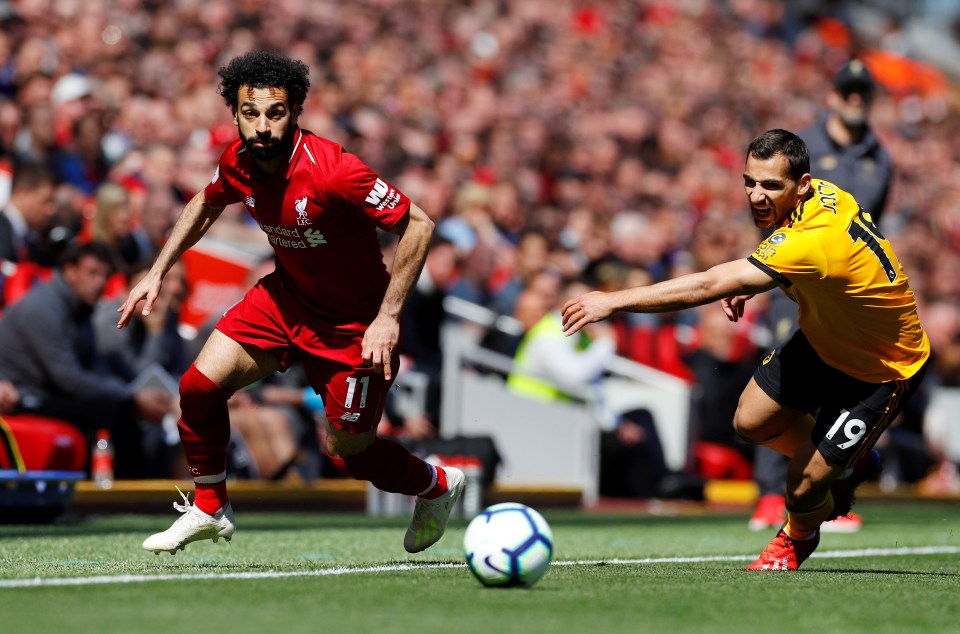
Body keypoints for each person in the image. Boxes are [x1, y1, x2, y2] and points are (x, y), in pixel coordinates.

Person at [117, 50, 464, 555]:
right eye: (249, 113)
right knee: (196, 387)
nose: (261, 126)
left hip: (355, 325)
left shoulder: (334, 171)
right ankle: (210, 508)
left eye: (275, 113)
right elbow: (204, 204)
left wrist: (388, 316)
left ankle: (436, 484)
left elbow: (419, 224)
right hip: (286, 302)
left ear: (295, 111)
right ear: (234, 114)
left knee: (348, 454)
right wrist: (156, 271)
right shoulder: (236, 161)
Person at [561, 129, 929, 571]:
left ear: (803, 183)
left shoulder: (813, 242)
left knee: (801, 486)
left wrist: (612, 300)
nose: (757, 195)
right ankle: (850, 462)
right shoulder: (824, 197)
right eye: (750, 181)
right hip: (825, 339)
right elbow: (803, 258)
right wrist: (764, 278)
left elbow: (709, 283)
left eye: (771, 185)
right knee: (750, 421)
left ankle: (797, 537)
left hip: (882, 366)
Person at [751, 59, 894, 533]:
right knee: (781, 385)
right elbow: (771, 213)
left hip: (843, 289)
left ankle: (827, 478)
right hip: (795, 279)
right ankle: (770, 495)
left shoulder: (881, 158)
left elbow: (872, 225)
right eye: (847, 91)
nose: (855, 99)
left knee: (835, 381)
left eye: (862, 93)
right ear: (832, 95)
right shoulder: (803, 148)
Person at [0, 241, 173, 477]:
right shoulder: (43, 308)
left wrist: (129, 396)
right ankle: (118, 497)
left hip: (49, 394)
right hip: (21, 398)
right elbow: (68, 379)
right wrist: (129, 397)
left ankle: (136, 495)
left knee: (122, 408)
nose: (100, 282)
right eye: (92, 273)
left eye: (104, 275)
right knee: (114, 409)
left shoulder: (80, 309)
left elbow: (95, 369)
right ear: (69, 271)